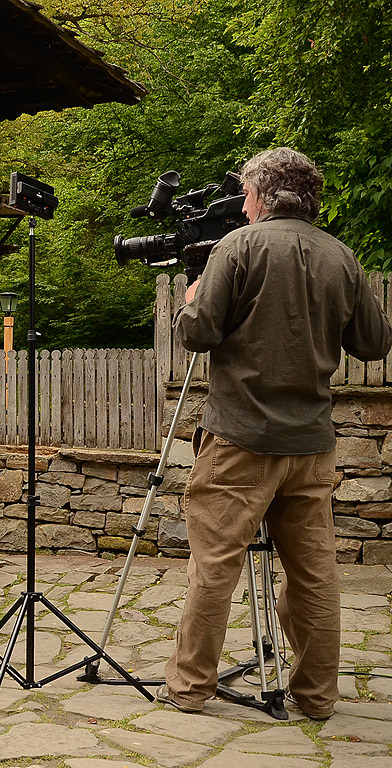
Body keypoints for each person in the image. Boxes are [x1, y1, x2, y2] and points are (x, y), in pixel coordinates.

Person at [159, 148, 392, 718]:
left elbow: (200, 333)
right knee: (315, 574)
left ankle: (190, 687)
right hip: (311, 445)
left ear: (263, 196)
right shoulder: (341, 256)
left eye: (245, 194)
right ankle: (316, 697)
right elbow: (374, 343)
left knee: (214, 566)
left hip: (239, 439)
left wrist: (188, 304)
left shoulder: (237, 247)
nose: (241, 204)